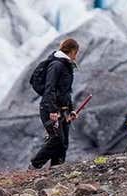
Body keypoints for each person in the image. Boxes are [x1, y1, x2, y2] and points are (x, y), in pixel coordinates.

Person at [30, 38, 79, 169]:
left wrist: (70, 110)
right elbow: (49, 88)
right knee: (56, 139)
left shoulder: (65, 65)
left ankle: (56, 171)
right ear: (73, 51)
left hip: (62, 110)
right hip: (50, 109)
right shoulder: (57, 65)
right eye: (76, 52)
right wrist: (52, 110)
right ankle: (34, 166)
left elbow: (65, 91)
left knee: (63, 143)